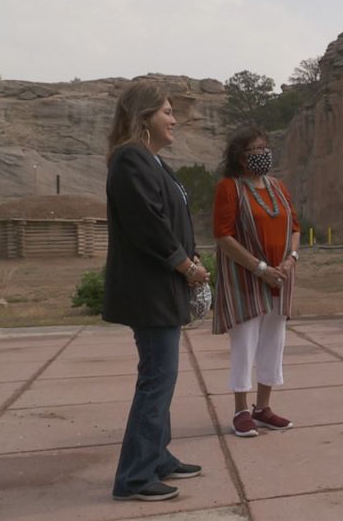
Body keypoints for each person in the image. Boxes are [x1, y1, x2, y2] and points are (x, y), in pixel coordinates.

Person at [104, 81, 210, 501]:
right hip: (150, 290)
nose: (173, 120)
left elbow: (173, 220)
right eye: (166, 112)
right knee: (157, 379)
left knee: (162, 378)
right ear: (144, 117)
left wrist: (193, 258)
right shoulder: (131, 159)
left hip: (163, 287)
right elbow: (148, 223)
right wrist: (184, 265)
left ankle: (157, 457)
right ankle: (134, 477)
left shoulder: (154, 162)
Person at [211, 126, 300, 437]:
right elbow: (223, 236)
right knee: (245, 342)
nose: (263, 155)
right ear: (240, 156)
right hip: (245, 279)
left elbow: (296, 226)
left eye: (265, 148)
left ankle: (262, 409)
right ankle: (240, 410)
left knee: (273, 342)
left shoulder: (278, 187)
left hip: (281, 276)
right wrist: (259, 267)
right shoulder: (229, 188)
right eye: (255, 150)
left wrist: (291, 259)